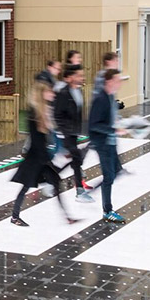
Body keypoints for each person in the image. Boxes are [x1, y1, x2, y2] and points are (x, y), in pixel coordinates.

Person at [12, 81, 74, 226]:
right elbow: (35, 139)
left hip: (42, 158)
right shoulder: (34, 113)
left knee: (56, 183)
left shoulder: (44, 110)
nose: (52, 94)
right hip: (35, 159)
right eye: (49, 92)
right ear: (43, 94)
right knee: (26, 187)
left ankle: (67, 216)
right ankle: (15, 216)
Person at [89, 69, 127, 223]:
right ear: (109, 81)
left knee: (115, 172)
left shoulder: (110, 97)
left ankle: (104, 204)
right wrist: (113, 129)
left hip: (110, 141)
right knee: (109, 176)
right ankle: (107, 210)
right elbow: (93, 125)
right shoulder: (100, 99)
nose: (119, 83)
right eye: (117, 80)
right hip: (103, 143)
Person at [54, 65, 93, 203]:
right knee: (76, 160)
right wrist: (65, 132)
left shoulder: (78, 91)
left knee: (71, 160)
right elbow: (57, 115)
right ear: (70, 77)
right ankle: (80, 192)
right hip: (65, 134)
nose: (82, 77)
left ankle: (49, 179)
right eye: (79, 75)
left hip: (73, 133)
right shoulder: (63, 93)